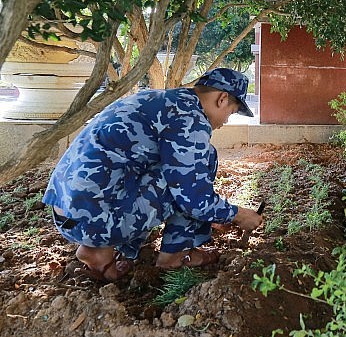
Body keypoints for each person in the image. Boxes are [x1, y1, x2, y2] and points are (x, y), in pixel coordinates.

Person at [43, 67, 263, 282]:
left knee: (182, 168)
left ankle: (98, 250)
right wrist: (238, 215)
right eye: (231, 113)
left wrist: (212, 217)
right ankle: (175, 256)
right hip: (93, 222)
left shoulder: (159, 100)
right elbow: (193, 199)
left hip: (66, 213)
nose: (225, 121)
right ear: (222, 99)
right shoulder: (190, 120)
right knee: (201, 163)